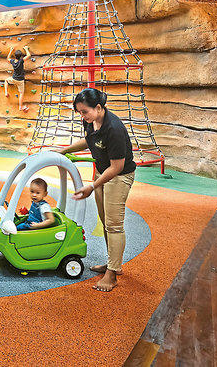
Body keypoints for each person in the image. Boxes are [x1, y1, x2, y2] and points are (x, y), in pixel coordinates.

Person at [58, 88, 137, 292]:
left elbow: (117, 167)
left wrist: (93, 186)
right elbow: (90, 140)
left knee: (114, 224)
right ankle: (112, 264)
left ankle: (112, 273)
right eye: (80, 112)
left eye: (84, 111)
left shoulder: (114, 128)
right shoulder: (90, 121)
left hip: (119, 176)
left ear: (99, 107)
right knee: (105, 222)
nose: (82, 116)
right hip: (103, 173)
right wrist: (65, 150)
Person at [4, 46, 31, 111]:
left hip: (14, 79)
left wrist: (11, 50)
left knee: (6, 80)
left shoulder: (13, 61)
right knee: (21, 93)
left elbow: (8, 58)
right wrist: (26, 49)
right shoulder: (21, 61)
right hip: (20, 80)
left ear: (15, 56)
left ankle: (6, 92)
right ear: (21, 56)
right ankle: (20, 106)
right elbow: (28, 55)